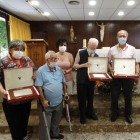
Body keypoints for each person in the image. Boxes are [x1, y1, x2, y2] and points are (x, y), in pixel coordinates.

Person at [0, 39, 37, 140]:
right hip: (11, 99)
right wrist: (1, 90)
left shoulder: (27, 59)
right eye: (17, 49)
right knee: (13, 121)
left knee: (24, 119)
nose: (19, 51)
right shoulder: (3, 61)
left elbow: (34, 70)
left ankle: (24, 136)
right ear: (10, 50)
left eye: (21, 49)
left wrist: (34, 75)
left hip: (26, 97)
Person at [35, 50, 69, 140]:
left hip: (58, 101)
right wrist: (43, 100)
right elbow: (38, 87)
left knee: (56, 120)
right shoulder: (41, 70)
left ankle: (54, 133)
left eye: (56, 59)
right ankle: (44, 138)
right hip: (46, 103)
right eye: (53, 59)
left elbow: (63, 82)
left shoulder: (59, 69)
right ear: (47, 60)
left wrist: (65, 93)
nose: (55, 61)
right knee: (45, 123)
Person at [107, 30, 139, 123]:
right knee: (114, 96)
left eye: (124, 36)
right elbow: (107, 62)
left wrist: (137, 72)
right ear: (117, 38)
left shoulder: (132, 49)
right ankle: (115, 114)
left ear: (127, 38)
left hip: (128, 76)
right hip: (116, 76)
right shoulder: (112, 49)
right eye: (120, 36)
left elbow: (136, 63)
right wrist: (110, 70)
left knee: (128, 96)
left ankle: (128, 115)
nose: (122, 38)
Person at [73, 38, 99, 124]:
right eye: (91, 48)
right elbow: (74, 66)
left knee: (90, 98)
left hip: (91, 80)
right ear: (88, 45)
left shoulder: (96, 55)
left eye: (94, 48)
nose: (93, 50)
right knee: (82, 99)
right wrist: (84, 65)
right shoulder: (80, 53)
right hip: (82, 80)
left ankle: (90, 113)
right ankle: (82, 116)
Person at [56, 38, 74, 122]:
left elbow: (72, 67)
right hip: (57, 78)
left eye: (64, 45)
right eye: (61, 45)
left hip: (67, 77)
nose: (63, 46)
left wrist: (66, 71)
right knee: (59, 96)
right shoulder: (54, 55)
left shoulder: (70, 55)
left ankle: (67, 113)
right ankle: (58, 113)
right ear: (58, 46)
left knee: (67, 97)